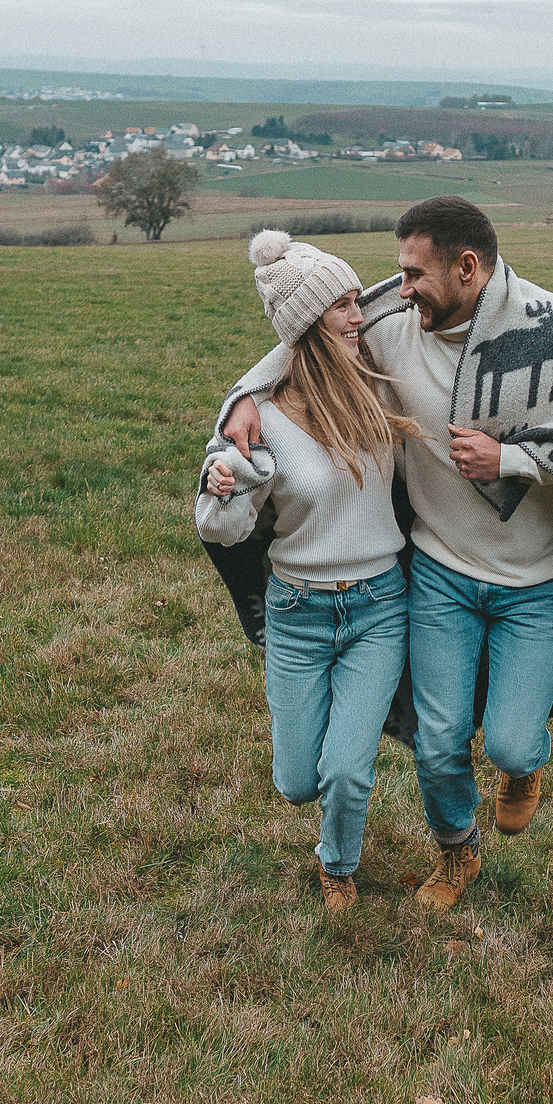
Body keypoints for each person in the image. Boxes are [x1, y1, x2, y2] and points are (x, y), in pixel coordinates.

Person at [223, 198, 553, 912]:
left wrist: (512, 459)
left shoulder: (542, 331)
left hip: (482, 585)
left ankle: (507, 775)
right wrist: (243, 395)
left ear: (466, 267)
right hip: (396, 582)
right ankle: (454, 847)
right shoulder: (375, 340)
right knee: (384, 757)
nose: (395, 293)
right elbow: (302, 336)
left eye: (412, 274)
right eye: (396, 276)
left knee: (493, 745)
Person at [195, 232, 418, 913]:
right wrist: (223, 485)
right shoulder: (257, 421)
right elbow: (224, 530)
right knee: (297, 782)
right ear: (308, 324)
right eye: (342, 306)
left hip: (380, 607)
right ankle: (321, 819)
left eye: (354, 300)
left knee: (346, 771)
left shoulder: (372, 381)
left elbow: (398, 305)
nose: (358, 316)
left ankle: (337, 866)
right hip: (297, 613)